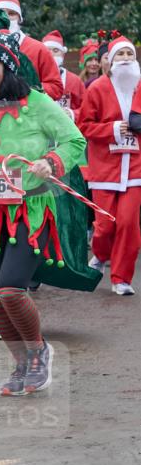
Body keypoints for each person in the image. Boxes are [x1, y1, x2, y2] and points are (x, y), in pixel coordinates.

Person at [0, 29, 86, 395]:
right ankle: (21, 365)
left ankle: (39, 353)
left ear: (8, 67)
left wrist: (51, 161)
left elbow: (75, 140)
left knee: (11, 290)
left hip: (31, 210)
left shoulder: (38, 103)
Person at [77, 35, 141, 295]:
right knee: (105, 226)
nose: (125, 60)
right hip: (105, 169)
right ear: (111, 61)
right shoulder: (97, 89)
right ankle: (101, 254)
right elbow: (84, 126)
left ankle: (122, 278)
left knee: (127, 223)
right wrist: (113, 129)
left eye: (130, 55)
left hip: (135, 167)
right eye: (120, 55)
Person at [0, 0, 63, 99]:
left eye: (12, 13)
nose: (6, 18)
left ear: (19, 19)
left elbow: (56, 87)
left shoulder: (38, 49)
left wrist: (28, 89)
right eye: (2, 13)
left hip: (29, 111)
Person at [42, 30, 84, 118]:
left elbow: (86, 110)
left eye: (56, 50)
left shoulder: (75, 81)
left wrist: (72, 114)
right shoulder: (34, 79)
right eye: (47, 50)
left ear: (63, 55)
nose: (51, 54)